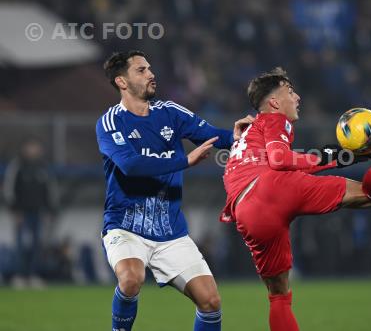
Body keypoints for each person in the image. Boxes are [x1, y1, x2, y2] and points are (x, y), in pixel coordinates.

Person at [219, 67, 371, 331]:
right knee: (368, 196)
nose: (297, 97)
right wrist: (334, 157)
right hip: (272, 187)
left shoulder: (245, 137)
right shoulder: (273, 119)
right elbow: (279, 161)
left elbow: (278, 162)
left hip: (245, 210)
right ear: (274, 102)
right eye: (290, 92)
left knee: (278, 295)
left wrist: (338, 157)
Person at [96, 50, 253, 331]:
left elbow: (214, 135)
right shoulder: (110, 123)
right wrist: (184, 161)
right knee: (131, 279)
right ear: (122, 82)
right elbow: (130, 165)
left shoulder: (170, 112)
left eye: (150, 68)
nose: (151, 74)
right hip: (126, 226)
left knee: (211, 302)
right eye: (141, 70)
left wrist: (236, 136)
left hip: (170, 231)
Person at [3, 137, 56, 288]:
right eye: (31, 147)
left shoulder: (43, 167)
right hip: (22, 214)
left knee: (37, 245)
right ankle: (20, 276)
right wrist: (15, 211)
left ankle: (33, 275)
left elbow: (50, 191)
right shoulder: (17, 166)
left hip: (38, 213)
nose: (34, 150)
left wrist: (49, 210)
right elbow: (9, 190)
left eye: (36, 147)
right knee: (21, 244)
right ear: (25, 148)